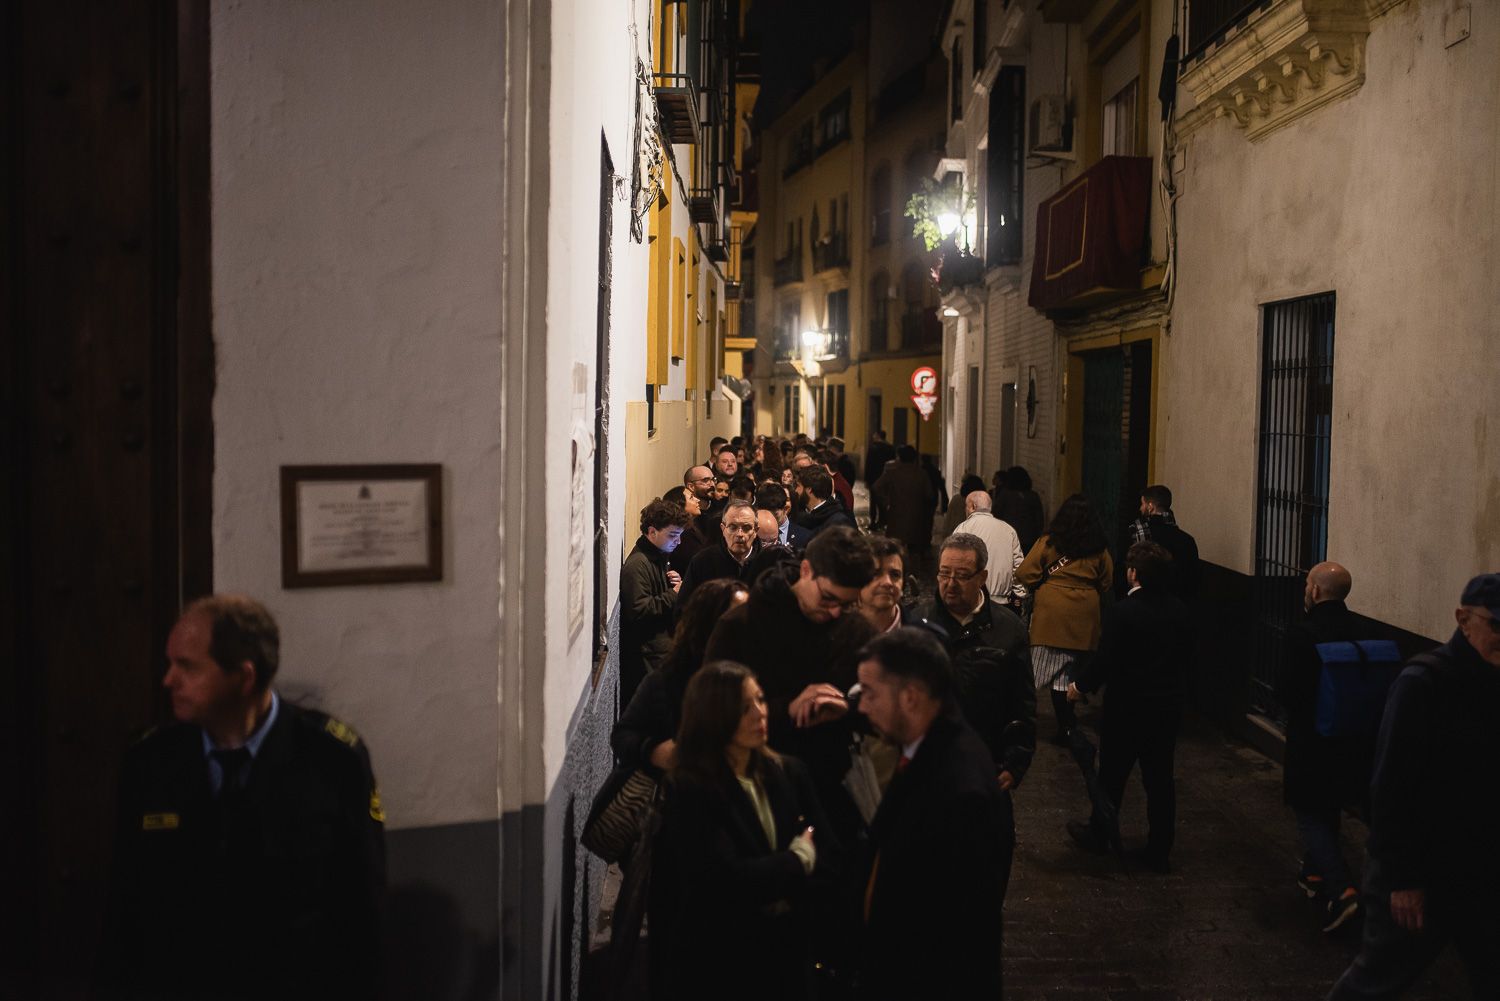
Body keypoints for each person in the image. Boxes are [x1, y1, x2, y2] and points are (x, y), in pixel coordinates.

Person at [101, 595, 385, 999]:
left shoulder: (331, 760)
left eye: (188, 666)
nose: (169, 680)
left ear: (244, 677)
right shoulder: (151, 762)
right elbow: (124, 910)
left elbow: (362, 915)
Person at [1327, 574, 1500, 1000]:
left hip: (1480, 873)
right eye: (1497, 625)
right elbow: (1390, 787)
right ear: (1463, 619)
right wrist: (1403, 880)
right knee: (1376, 983)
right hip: (1422, 872)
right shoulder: (1424, 683)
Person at [650, 662, 836, 1001]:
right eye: (743, 708)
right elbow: (723, 881)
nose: (759, 714)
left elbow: (830, 855)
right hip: (724, 963)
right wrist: (798, 859)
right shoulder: (691, 789)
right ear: (712, 715)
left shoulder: (789, 772)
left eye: (761, 701)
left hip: (788, 956)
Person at [854, 627, 1011, 1001]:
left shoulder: (960, 791)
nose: (862, 707)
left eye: (871, 694)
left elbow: (951, 931)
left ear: (910, 698)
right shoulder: (930, 747)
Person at [1066, 541, 1192, 873]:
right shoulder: (1179, 610)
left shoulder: (1123, 612)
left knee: (1112, 775)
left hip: (1127, 708)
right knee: (1160, 780)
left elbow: (1106, 659)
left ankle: (1100, 833)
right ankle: (1159, 848)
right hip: (1165, 708)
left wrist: (1080, 686)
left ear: (1134, 574)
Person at [918, 533, 1034, 866]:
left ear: (982, 577)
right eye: (943, 573)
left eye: (961, 575)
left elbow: (1022, 702)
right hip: (930, 771)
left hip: (987, 770)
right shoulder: (920, 622)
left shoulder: (1008, 630)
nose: (950, 583)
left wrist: (1016, 761)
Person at [1275, 561, 1371, 931]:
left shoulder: (1304, 634)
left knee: (1310, 812)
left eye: (1307, 586)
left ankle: (1343, 889)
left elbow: (1287, 690)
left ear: (1314, 591)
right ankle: (1313, 874)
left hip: (1312, 739)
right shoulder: (1361, 630)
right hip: (1354, 736)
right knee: (1329, 803)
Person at [612, 579, 751, 778]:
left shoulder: (756, 676)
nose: (746, 625)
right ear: (709, 625)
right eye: (736, 619)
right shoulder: (668, 680)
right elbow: (623, 736)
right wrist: (655, 751)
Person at [1016, 494, 1114, 743]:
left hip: (1052, 612)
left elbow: (1026, 572)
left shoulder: (1049, 541)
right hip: (1086, 613)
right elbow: (1107, 581)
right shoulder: (1099, 547)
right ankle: (1067, 724)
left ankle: (1058, 725)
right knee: (1072, 672)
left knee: (1046, 673)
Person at [619, 498, 688, 707]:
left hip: (659, 653)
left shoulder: (657, 556)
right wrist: (674, 594)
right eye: (673, 535)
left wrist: (669, 584)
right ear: (652, 531)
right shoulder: (638, 564)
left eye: (680, 535)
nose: (678, 542)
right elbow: (639, 610)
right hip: (648, 658)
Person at [949, 490, 1026, 607]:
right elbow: (1018, 566)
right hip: (1002, 601)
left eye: (966, 506)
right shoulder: (1008, 530)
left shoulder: (963, 528)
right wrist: (1019, 594)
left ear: (973, 506)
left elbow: (953, 562)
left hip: (972, 600)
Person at [1125, 484, 1201, 601]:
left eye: (1142, 503)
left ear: (1150, 506)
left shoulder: (1138, 534)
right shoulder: (1187, 540)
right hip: (1177, 606)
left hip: (1146, 604)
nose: (1140, 508)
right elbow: (1193, 580)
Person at [679, 499, 760, 604]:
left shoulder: (767, 562)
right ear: (723, 529)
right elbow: (684, 609)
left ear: (755, 531)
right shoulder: (702, 562)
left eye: (746, 528)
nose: (740, 534)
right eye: (732, 527)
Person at [872, 445, 936, 576]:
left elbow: (876, 487)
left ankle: (896, 573)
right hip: (916, 518)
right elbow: (930, 495)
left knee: (894, 549)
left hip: (896, 517)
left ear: (899, 457)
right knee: (914, 551)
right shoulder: (921, 474)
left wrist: (886, 503)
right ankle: (913, 575)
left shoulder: (892, 473)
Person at [859, 537, 910, 635]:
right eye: (875, 573)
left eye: (895, 575)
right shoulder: (831, 632)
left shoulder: (923, 638)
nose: (887, 582)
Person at [792, 465, 857, 539]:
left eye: (798, 486)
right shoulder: (800, 515)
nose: (796, 490)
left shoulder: (838, 523)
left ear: (809, 489)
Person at [995, 465, 1045, 558]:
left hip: (1009, 538)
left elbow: (997, 514)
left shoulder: (1005, 495)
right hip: (1029, 538)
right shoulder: (1033, 496)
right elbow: (1039, 519)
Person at [755, 480, 811, 552]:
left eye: (775, 515)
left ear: (786, 509)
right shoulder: (752, 535)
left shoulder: (804, 537)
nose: (770, 519)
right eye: (766, 514)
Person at [663, 485, 710, 569]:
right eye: (691, 498)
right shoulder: (682, 533)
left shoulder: (695, 526)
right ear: (680, 503)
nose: (697, 500)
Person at [865, 431, 896, 529]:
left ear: (878, 436)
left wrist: (867, 479)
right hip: (886, 477)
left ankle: (873, 521)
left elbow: (868, 464)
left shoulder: (873, 448)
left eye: (874, 435)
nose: (873, 436)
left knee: (873, 501)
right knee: (884, 500)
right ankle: (883, 520)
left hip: (874, 478)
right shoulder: (890, 448)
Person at [941, 474, 986, 539]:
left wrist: (945, 536)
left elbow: (949, 521)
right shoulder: (982, 502)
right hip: (975, 537)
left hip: (957, 536)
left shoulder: (957, 499)